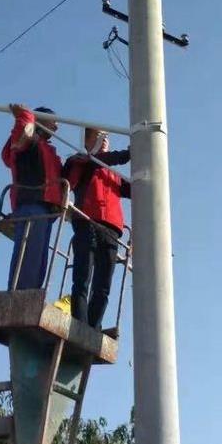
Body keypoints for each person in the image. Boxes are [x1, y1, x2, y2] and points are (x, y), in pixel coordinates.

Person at [62, 128, 131, 329]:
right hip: (87, 223)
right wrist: (129, 153)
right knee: (82, 278)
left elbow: (134, 189)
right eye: (99, 137)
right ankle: (80, 326)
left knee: (103, 286)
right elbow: (100, 160)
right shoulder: (81, 162)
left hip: (111, 229)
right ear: (87, 141)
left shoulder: (111, 172)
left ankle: (93, 327)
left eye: (106, 137)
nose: (104, 140)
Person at [1, 104, 63, 290]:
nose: (57, 127)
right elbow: (21, 135)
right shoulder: (28, 142)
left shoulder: (49, 151)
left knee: (40, 257)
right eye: (53, 121)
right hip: (31, 203)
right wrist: (25, 115)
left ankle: (33, 292)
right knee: (29, 254)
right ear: (40, 121)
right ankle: (21, 293)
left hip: (47, 209)